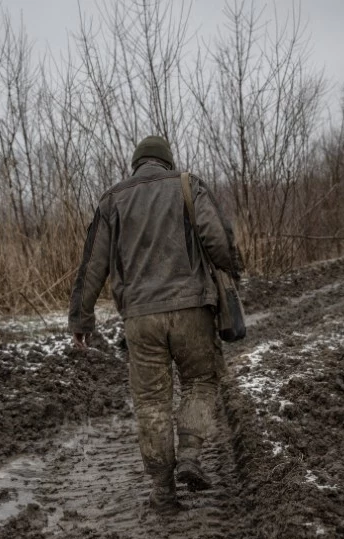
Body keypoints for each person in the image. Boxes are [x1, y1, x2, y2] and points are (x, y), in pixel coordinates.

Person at [68, 135, 243, 514]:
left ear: (136, 164)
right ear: (166, 161)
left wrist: (81, 318)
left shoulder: (112, 199)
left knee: (151, 402)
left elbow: (92, 263)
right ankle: (192, 452)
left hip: (140, 319)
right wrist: (233, 274)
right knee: (200, 380)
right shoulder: (187, 184)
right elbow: (217, 239)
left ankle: (164, 492)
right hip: (192, 309)